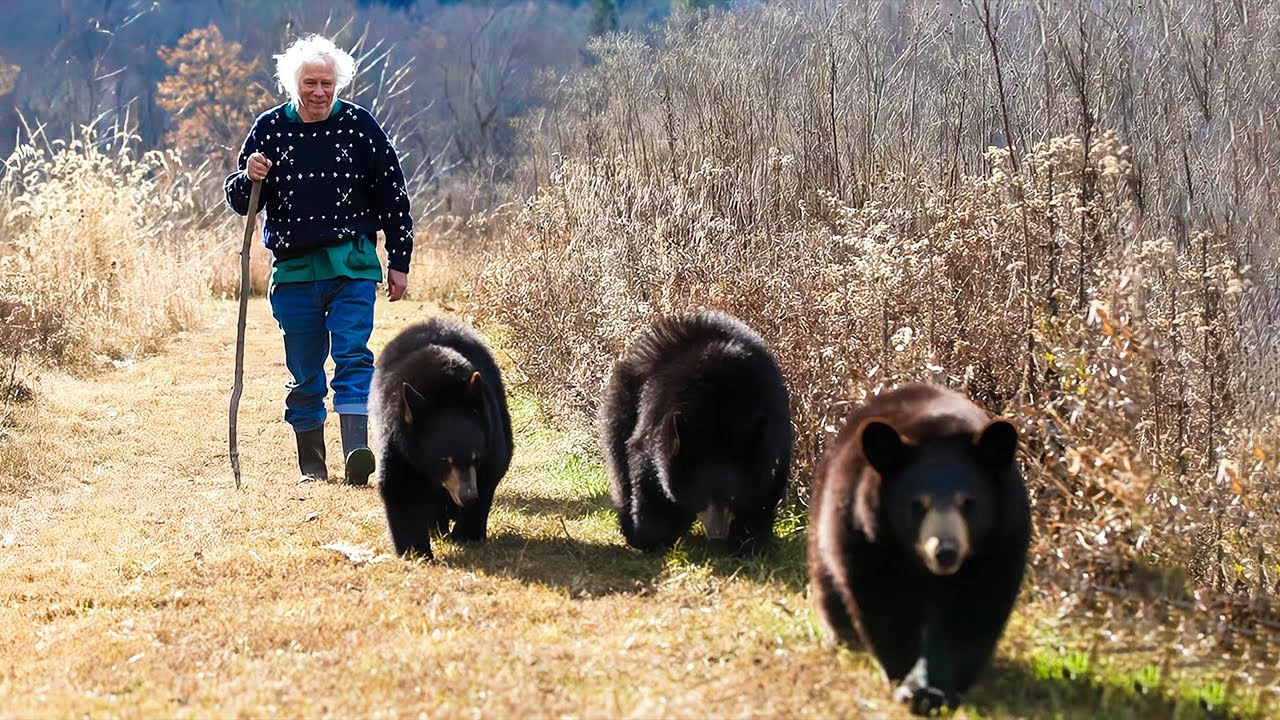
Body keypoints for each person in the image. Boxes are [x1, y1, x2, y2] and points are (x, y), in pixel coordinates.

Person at [224, 34, 413, 485]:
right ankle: (312, 465)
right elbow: (240, 199)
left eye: (327, 83)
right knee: (305, 369)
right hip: (293, 271)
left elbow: (393, 195)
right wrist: (247, 176)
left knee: (352, 354)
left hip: (352, 263)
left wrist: (399, 259)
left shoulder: (360, 126)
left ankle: (357, 452)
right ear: (295, 84)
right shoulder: (270, 128)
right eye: (311, 82)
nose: (320, 92)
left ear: (338, 83)